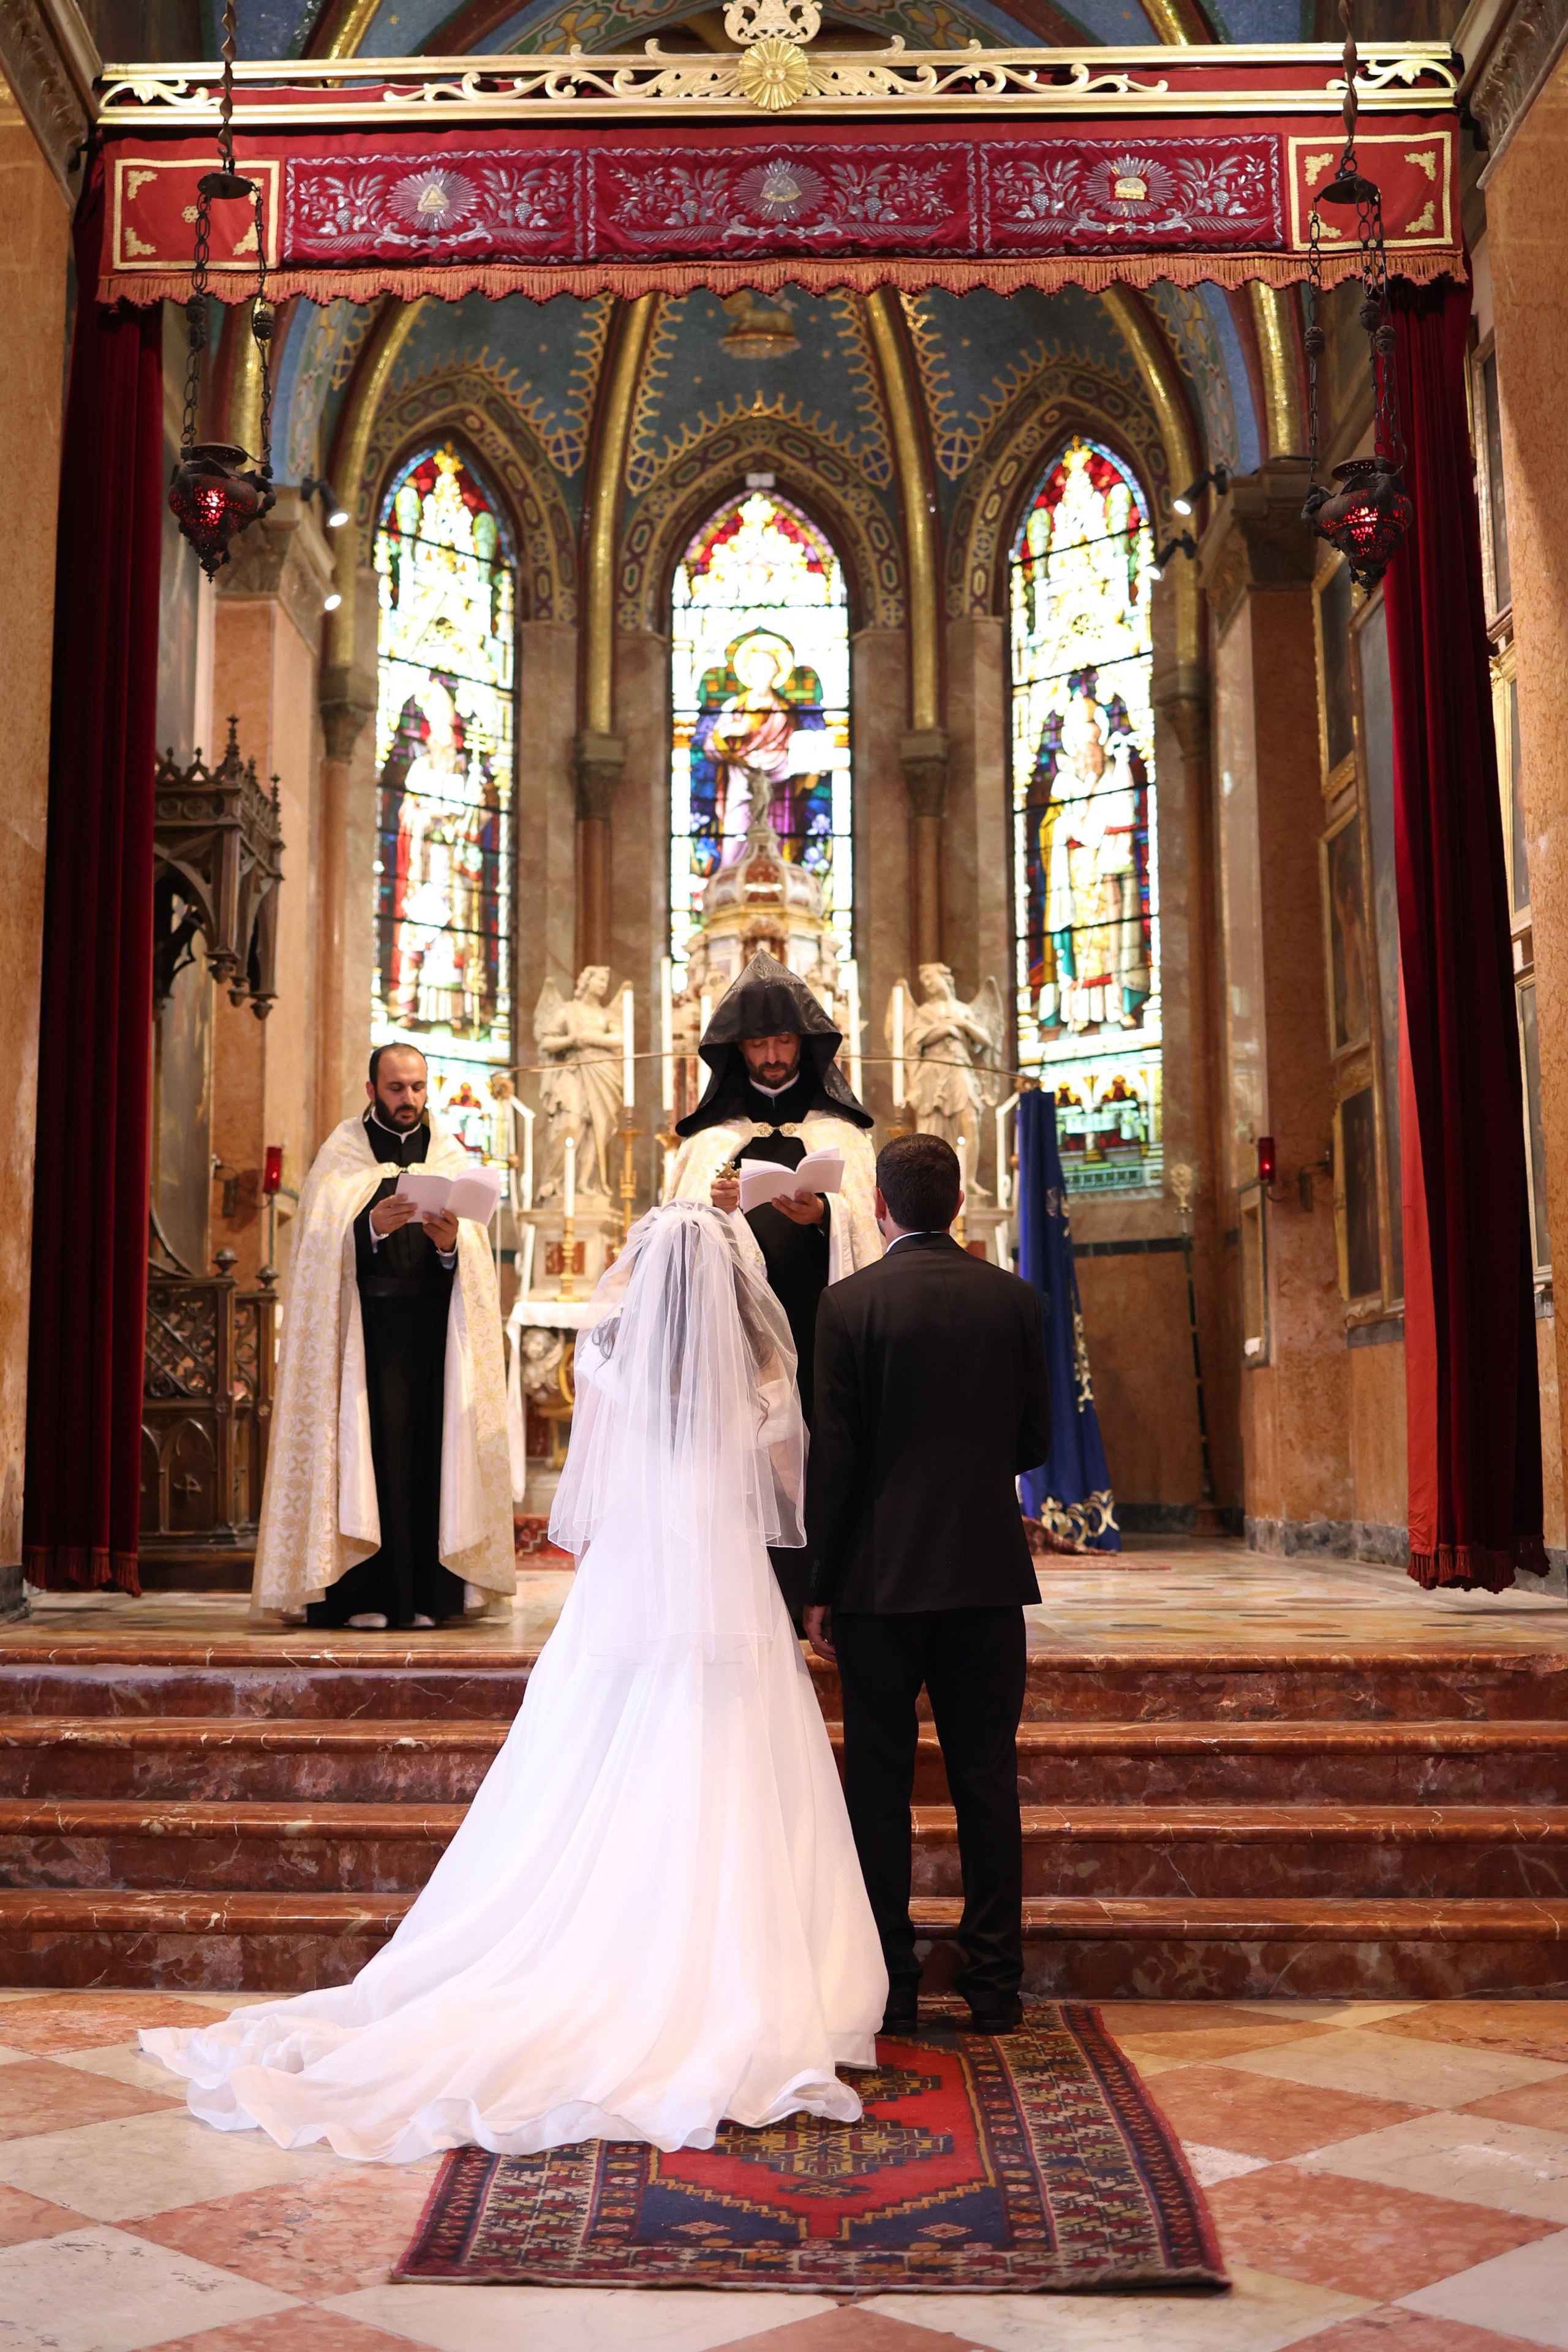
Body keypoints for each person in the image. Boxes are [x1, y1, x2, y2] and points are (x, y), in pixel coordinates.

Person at [143, 1204, 886, 2160]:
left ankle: (598, 1952)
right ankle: (755, 1974)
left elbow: (595, 1469)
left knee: (592, 1757)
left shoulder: (611, 1367)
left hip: (630, 1585)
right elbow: (789, 1478)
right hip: (728, 1584)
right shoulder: (764, 1376)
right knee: (737, 1748)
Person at [804, 1133, 1051, 2036]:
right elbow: (1034, 1444)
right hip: (986, 1575)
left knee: (879, 1786)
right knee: (987, 1779)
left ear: (880, 1204)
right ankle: (994, 1987)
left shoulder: (848, 1304)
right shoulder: (1014, 1299)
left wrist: (819, 1582)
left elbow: (834, 1458)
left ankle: (892, 1985)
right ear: (956, 1201)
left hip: (877, 1581)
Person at [249, 1043, 513, 1630]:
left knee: (427, 1461)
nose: (410, 1100)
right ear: (372, 1090)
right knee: (366, 1460)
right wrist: (367, 1228)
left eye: (418, 1088)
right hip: (360, 1337)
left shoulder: (447, 1150)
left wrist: (451, 1247)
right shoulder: (341, 1154)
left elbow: (471, 1258)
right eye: (397, 1089)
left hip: (431, 1340)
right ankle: (360, 1594)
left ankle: (426, 1595)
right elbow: (319, 1245)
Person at [666, 950, 881, 1623]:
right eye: (758, 1041)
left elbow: (870, 1231)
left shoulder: (840, 1134)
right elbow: (673, 1247)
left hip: (820, 1327)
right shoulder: (708, 1144)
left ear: (803, 1044)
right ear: (738, 1049)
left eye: (782, 1039)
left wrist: (826, 1216)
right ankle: (744, 1599)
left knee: (823, 1459)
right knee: (743, 1461)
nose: (770, 1053)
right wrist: (714, 1212)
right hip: (738, 1335)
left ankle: (823, 1589)